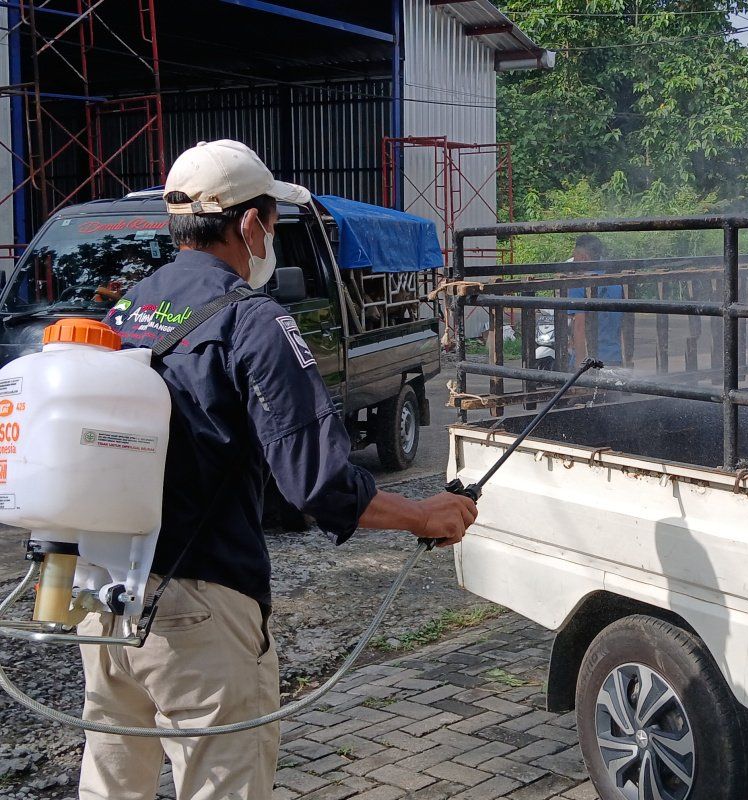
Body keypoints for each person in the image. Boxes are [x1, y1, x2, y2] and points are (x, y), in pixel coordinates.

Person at [79, 139, 477, 800]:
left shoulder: (128, 310)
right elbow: (316, 483)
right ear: (250, 223)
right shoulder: (254, 320)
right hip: (198, 613)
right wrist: (422, 514)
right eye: (272, 222)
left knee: (112, 789)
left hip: (102, 599)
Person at [567, 234, 624, 366]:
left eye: (574, 255)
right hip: (614, 358)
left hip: (591, 361)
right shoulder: (615, 283)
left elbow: (580, 328)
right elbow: (622, 324)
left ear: (583, 257)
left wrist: (579, 369)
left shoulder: (579, 284)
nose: (573, 260)